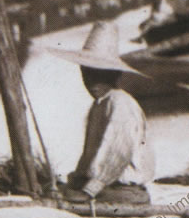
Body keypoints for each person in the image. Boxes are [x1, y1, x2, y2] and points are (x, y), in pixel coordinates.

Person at [48, 21, 155, 205]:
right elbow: (91, 158)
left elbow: (116, 152)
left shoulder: (119, 103)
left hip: (123, 191)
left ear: (114, 75)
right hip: (107, 186)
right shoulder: (98, 105)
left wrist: (89, 190)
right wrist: (75, 181)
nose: (91, 82)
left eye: (99, 75)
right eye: (87, 74)